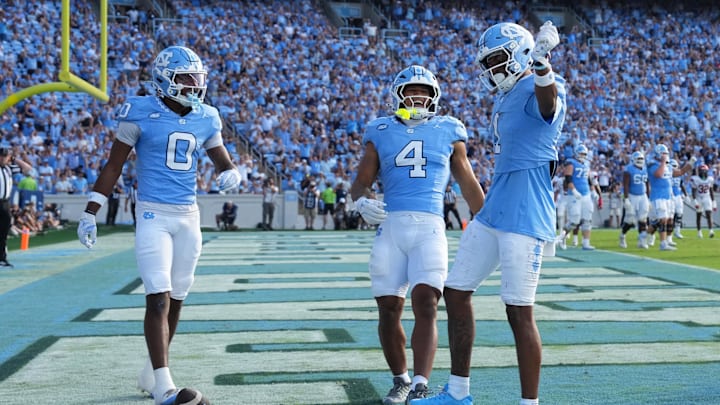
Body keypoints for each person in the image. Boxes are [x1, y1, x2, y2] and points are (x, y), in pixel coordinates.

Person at [76, 45, 240, 405]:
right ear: (165, 80)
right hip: (152, 214)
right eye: (186, 79)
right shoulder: (140, 111)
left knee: (178, 297)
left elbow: (222, 160)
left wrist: (231, 173)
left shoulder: (208, 116)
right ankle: (165, 387)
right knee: (158, 297)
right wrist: (91, 210)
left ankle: (153, 373)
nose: (194, 87)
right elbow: (113, 166)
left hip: (189, 216)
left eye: (198, 80)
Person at [414, 21, 565, 405]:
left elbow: (548, 104)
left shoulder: (541, 84)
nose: (491, 69)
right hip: (495, 209)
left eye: (497, 59)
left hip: (526, 213)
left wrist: (544, 64)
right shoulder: (506, 94)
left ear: (520, 52)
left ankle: (529, 403)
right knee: (456, 291)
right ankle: (459, 392)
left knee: (518, 312)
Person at [350, 65, 484, 404]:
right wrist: (360, 202)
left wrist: (488, 218)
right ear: (399, 95)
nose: (418, 97)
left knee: (427, 302)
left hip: (430, 226)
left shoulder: (449, 129)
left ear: (434, 96)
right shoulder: (379, 130)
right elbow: (361, 182)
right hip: (391, 226)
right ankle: (401, 379)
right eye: (411, 91)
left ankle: (421, 383)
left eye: (424, 92)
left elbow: (467, 182)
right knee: (388, 307)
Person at [645, 144, 695, 251]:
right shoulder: (653, 164)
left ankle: (645, 235)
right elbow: (658, 174)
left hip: (667, 197)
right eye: (664, 153)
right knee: (662, 220)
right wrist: (663, 162)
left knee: (659, 222)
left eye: (666, 154)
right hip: (657, 197)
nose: (666, 155)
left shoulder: (666, 165)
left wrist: (689, 165)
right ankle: (663, 244)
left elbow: (679, 172)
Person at [556, 144, 598, 250]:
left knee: (587, 220)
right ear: (576, 153)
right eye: (581, 153)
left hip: (586, 195)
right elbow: (568, 178)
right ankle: (563, 238)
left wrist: (593, 191)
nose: (583, 156)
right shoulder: (571, 162)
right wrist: (574, 190)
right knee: (574, 221)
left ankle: (586, 243)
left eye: (584, 154)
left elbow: (588, 180)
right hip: (574, 196)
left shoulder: (586, 164)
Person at [0, 147, 33, 268]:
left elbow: (28, 168)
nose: (3, 158)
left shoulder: (9, 168)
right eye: (1, 156)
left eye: (5, 156)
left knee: (4, 231)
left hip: (5, 203)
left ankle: (2, 258)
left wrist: (14, 158)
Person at [619, 151, 650, 249]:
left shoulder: (645, 169)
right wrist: (626, 198)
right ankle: (622, 235)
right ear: (633, 160)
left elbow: (647, 184)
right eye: (638, 159)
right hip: (632, 195)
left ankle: (642, 240)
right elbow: (626, 185)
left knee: (643, 218)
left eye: (641, 159)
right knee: (630, 220)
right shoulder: (629, 169)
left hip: (643, 195)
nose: (640, 161)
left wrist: (648, 198)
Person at [690, 164, 715, 238]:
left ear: (707, 171)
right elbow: (693, 191)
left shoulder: (710, 179)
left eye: (704, 170)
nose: (703, 172)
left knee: (709, 214)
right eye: (701, 170)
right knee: (699, 215)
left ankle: (711, 231)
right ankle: (699, 232)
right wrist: (694, 200)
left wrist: (713, 201)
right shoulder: (695, 179)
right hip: (699, 197)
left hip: (707, 197)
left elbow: (711, 191)